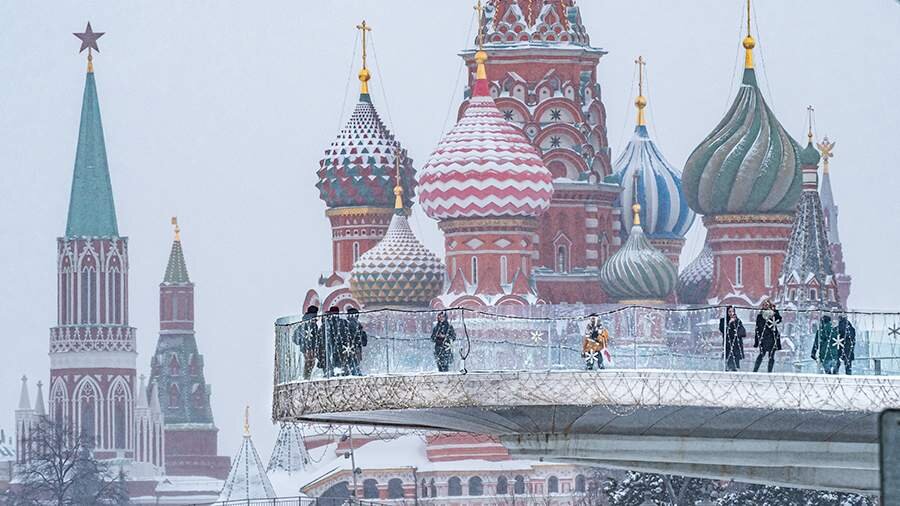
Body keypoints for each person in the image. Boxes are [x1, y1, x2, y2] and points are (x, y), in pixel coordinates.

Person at [319, 306, 350, 377]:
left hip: (330, 346)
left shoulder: (327, 324)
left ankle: (331, 373)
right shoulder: (343, 322)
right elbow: (347, 335)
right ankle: (340, 373)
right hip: (341, 346)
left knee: (330, 361)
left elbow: (322, 336)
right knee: (340, 362)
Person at [753, 300, 782, 373]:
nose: (765, 306)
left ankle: (769, 372)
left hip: (772, 337)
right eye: (764, 304)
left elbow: (779, 319)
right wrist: (756, 341)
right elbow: (757, 328)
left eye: (767, 304)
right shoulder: (760, 315)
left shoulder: (773, 314)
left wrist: (775, 311)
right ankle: (755, 370)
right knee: (762, 353)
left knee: (771, 355)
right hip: (763, 338)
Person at [292, 305, 320, 380]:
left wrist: (302, 343)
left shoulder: (304, 324)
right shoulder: (311, 324)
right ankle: (306, 377)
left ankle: (307, 377)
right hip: (309, 347)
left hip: (307, 347)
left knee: (309, 362)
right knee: (310, 362)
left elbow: (295, 338)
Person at [719, 306, 746, 372]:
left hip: (736, 344)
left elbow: (743, 332)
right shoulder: (723, 320)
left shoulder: (738, 321)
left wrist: (737, 334)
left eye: (732, 311)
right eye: (729, 311)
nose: (731, 313)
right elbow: (723, 330)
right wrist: (729, 323)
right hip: (728, 343)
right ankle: (728, 368)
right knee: (729, 358)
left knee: (735, 361)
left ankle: (734, 369)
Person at [345, 308, 368, 376]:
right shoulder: (354, 324)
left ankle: (355, 371)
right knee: (354, 361)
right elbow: (358, 336)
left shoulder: (351, 323)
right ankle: (355, 372)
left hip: (352, 346)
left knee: (353, 361)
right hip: (354, 346)